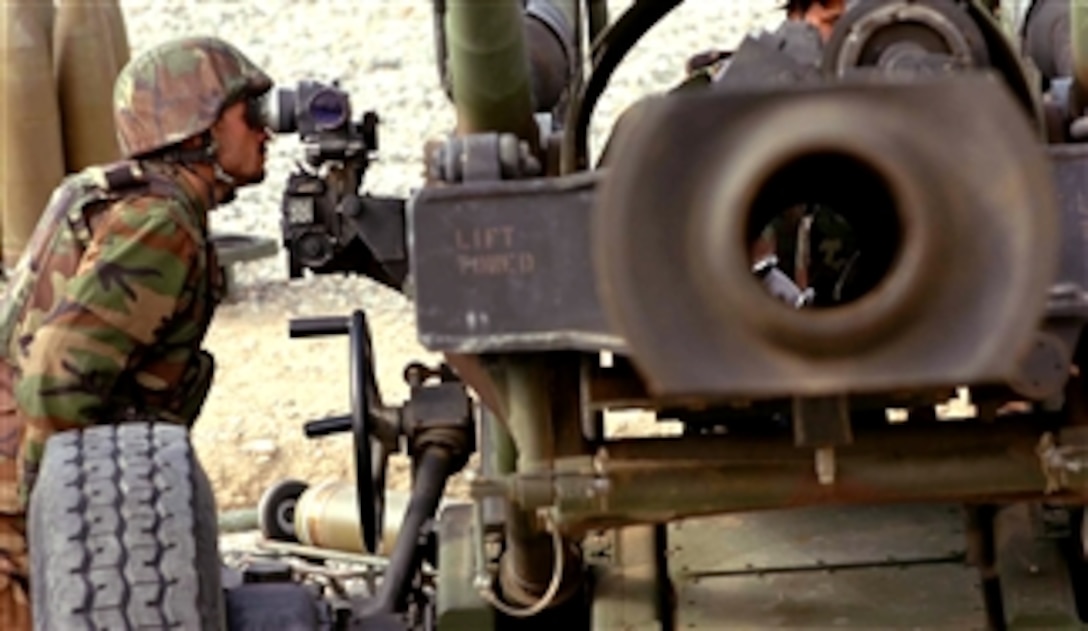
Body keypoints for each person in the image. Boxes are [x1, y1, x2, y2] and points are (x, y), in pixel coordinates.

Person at [0, 35, 273, 628]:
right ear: (198, 129)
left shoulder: (147, 207)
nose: (266, 132)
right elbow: (54, 383)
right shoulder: (158, 222)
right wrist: (59, 542)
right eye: (250, 114)